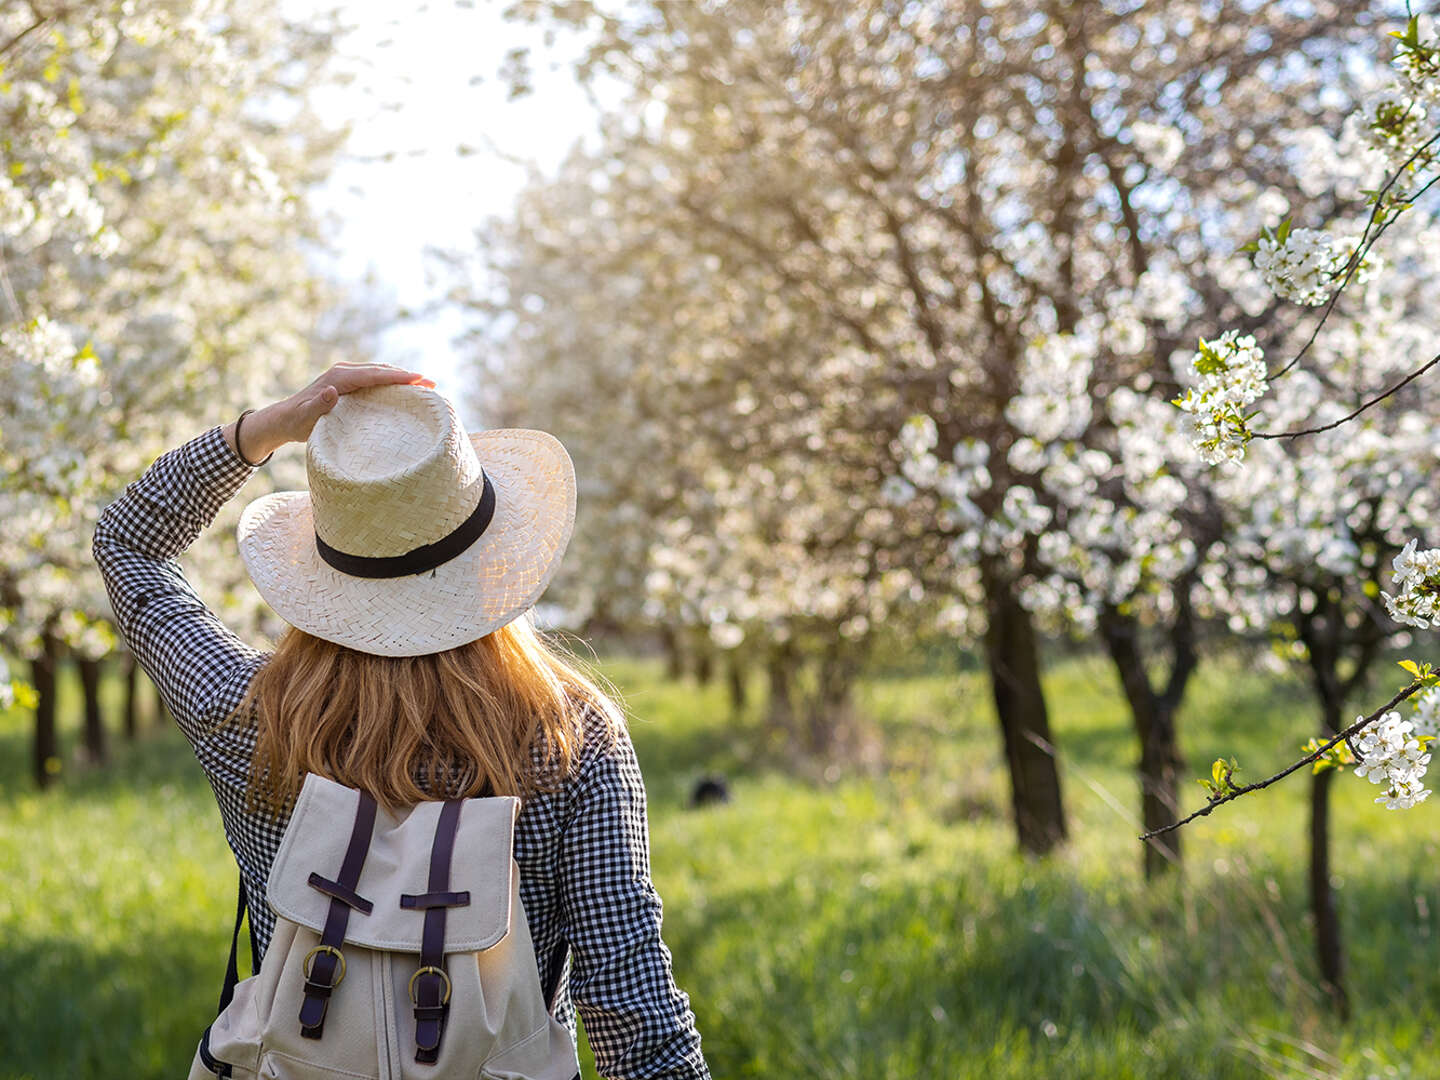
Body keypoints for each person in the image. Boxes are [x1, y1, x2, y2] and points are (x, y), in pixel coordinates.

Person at [91, 362, 710, 1079]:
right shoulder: (570, 739)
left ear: (323, 570)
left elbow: (126, 545)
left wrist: (260, 432)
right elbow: (633, 1015)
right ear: (492, 561)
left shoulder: (247, 715)